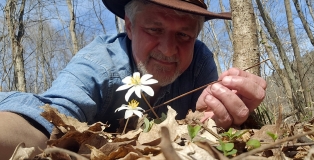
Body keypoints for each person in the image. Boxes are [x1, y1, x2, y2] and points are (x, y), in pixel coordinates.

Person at [0, 0, 267, 159]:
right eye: (154, 29)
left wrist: (223, 109)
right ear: (129, 26)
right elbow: (48, 118)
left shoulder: (199, 59)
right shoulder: (99, 63)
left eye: (184, 35)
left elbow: (206, 118)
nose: (168, 49)